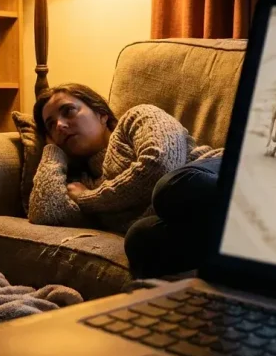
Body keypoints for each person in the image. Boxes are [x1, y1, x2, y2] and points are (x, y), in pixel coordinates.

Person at [29, 84, 222, 276]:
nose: (60, 125)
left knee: (171, 189)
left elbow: (161, 165)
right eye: (51, 125)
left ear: (101, 114)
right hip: (195, 219)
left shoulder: (137, 117)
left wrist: (88, 198)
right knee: (140, 238)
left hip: (221, 174)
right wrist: (53, 151)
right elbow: (45, 213)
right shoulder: (83, 181)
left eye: (68, 111)